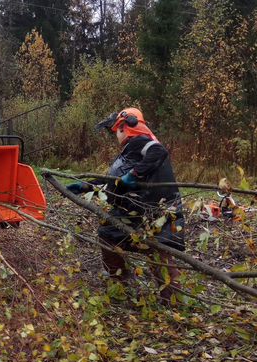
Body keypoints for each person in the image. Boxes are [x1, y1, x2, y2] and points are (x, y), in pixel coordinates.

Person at [67, 108, 186, 303]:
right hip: (141, 212)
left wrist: (133, 175)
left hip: (149, 212)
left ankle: (124, 285)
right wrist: (83, 186)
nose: (116, 135)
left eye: (116, 130)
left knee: (156, 253)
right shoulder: (131, 150)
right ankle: (159, 297)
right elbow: (112, 181)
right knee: (147, 250)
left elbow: (158, 151)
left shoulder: (143, 142)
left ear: (124, 127)